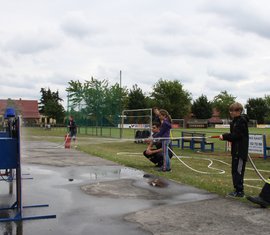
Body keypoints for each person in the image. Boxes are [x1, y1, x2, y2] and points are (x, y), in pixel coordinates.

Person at [219, 102, 249, 197]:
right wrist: (226, 136)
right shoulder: (234, 122)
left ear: (239, 111)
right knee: (234, 170)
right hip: (235, 151)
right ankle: (236, 189)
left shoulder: (241, 121)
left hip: (240, 151)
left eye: (234, 110)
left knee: (238, 171)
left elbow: (236, 136)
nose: (231, 112)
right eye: (230, 110)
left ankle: (240, 191)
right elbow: (234, 135)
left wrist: (224, 136)